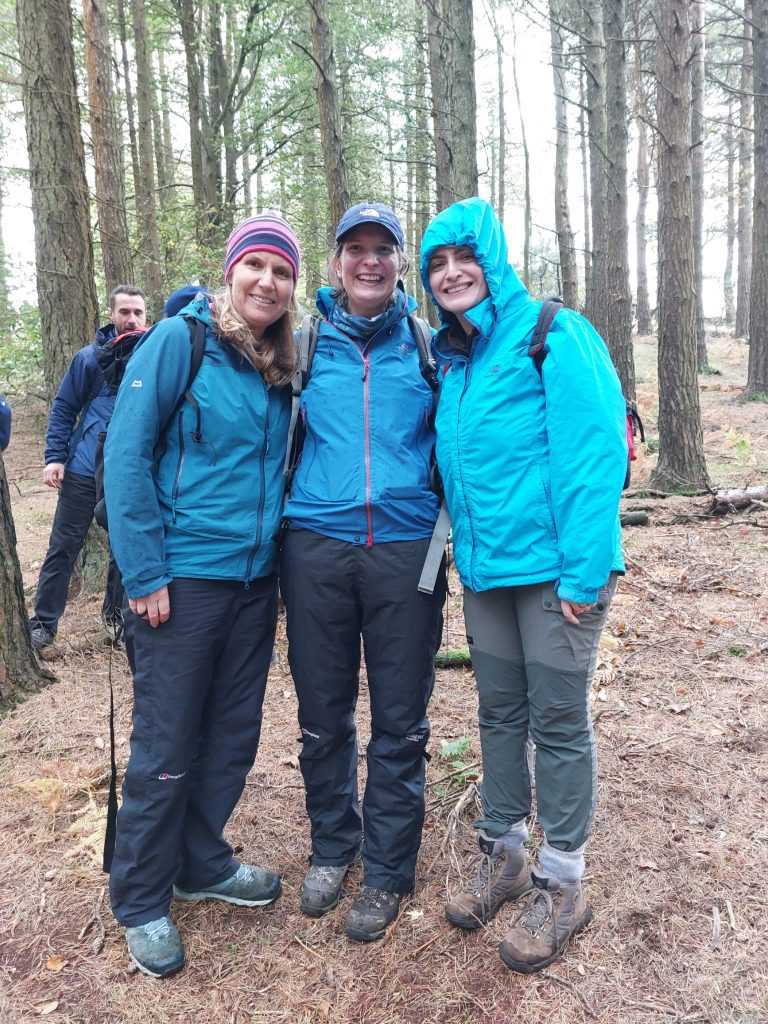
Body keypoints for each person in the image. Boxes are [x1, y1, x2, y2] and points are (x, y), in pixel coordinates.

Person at [419, 197, 627, 974]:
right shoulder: (456, 359)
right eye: (435, 264)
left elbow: (594, 453)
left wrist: (585, 569)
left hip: (556, 576)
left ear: (492, 258)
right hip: (487, 573)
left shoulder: (551, 333)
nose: (449, 273)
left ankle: (564, 882)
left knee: (559, 722)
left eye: (461, 257)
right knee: (499, 713)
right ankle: (502, 852)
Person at [103, 214, 301, 979]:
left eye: (280, 271)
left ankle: (201, 861)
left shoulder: (278, 363)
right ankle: (142, 897)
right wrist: (145, 573)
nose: (267, 281)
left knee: (230, 736)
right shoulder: (179, 343)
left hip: (254, 584)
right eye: (254, 265)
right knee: (166, 744)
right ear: (231, 273)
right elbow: (125, 457)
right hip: (180, 584)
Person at [280, 202, 447, 943]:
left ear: (401, 261)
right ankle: (332, 845)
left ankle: (385, 869)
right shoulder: (304, 346)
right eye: (356, 249)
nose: (370, 261)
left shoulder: (429, 345)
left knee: (401, 721)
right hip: (316, 545)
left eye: (384, 248)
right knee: (322, 715)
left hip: (410, 549)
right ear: (337, 261)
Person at [28, 286, 147, 649]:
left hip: (129, 470)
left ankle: (117, 621)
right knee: (64, 545)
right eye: (125, 311)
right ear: (111, 314)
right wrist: (54, 457)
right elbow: (65, 407)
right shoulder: (89, 360)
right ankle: (44, 625)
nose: (132, 319)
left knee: (125, 548)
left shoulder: (153, 355)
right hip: (81, 469)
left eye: (138, 312)